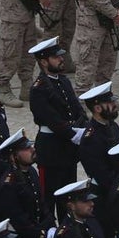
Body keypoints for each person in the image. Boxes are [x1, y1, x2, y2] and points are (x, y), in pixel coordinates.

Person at [28, 38, 85, 224]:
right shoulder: (39, 88)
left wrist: (82, 126)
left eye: (60, 56)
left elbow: (76, 108)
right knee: (48, 197)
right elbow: (50, 118)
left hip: (68, 147)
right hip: (51, 148)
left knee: (68, 195)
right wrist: (73, 133)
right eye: (55, 57)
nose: (61, 59)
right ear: (44, 61)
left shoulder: (63, 81)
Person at [76, 83, 119, 194]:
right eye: (110, 103)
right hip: (104, 192)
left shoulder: (113, 126)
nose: (115, 105)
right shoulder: (91, 138)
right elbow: (101, 173)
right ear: (97, 108)